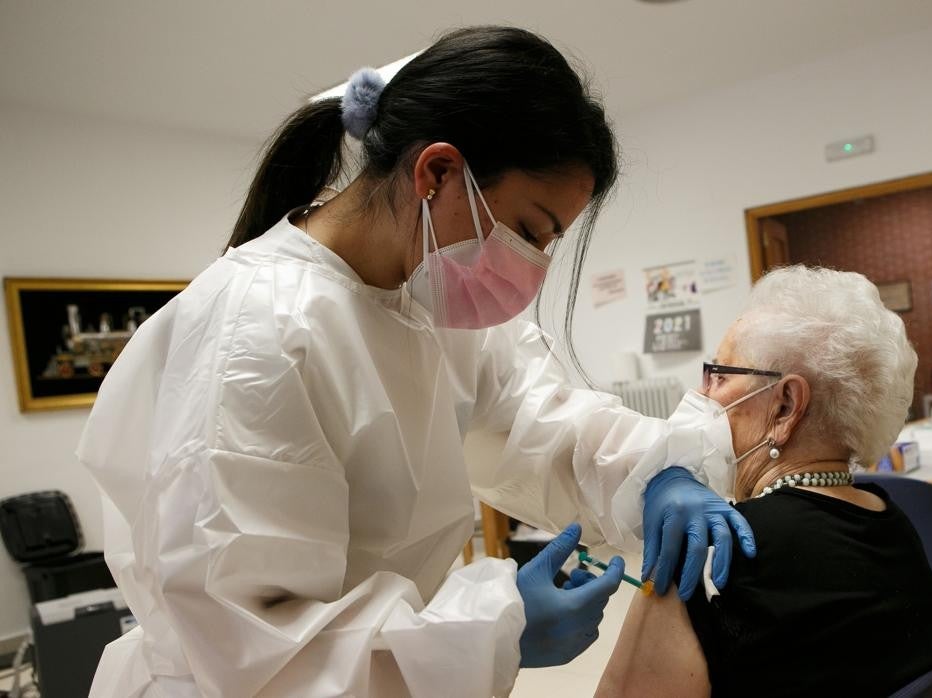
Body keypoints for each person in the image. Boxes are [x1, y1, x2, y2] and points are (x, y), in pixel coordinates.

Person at [78, 26, 753, 697]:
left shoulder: (427, 300)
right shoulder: (259, 333)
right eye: (528, 231)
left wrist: (658, 473)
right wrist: (489, 635)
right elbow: (254, 651)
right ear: (437, 172)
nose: (532, 269)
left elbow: (539, 422)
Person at [595, 266, 932, 698]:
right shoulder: (892, 522)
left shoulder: (712, 550)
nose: (702, 394)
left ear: (785, 406)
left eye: (720, 375)